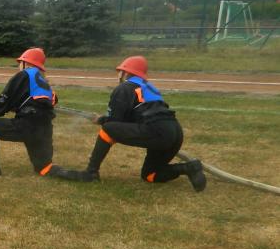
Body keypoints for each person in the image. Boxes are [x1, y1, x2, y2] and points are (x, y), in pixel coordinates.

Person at [53, 55, 206, 191]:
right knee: (150, 175)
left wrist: (102, 120)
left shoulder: (124, 88)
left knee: (108, 129)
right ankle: (188, 167)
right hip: (175, 132)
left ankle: (90, 173)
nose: (118, 74)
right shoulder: (149, 88)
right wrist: (103, 119)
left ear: (126, 73)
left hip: (156, 131)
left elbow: (114, 123)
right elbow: (135, 118)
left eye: (120, 71)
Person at [0, 47, 59, 177]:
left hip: (27, 126)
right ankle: (84, 175)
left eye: (20, 62)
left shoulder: (25, 74)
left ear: (27, 63)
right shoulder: (43, 82)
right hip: (44, 130)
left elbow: (2, 103)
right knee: (44, 169)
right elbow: (49, 101)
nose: (19, 66)